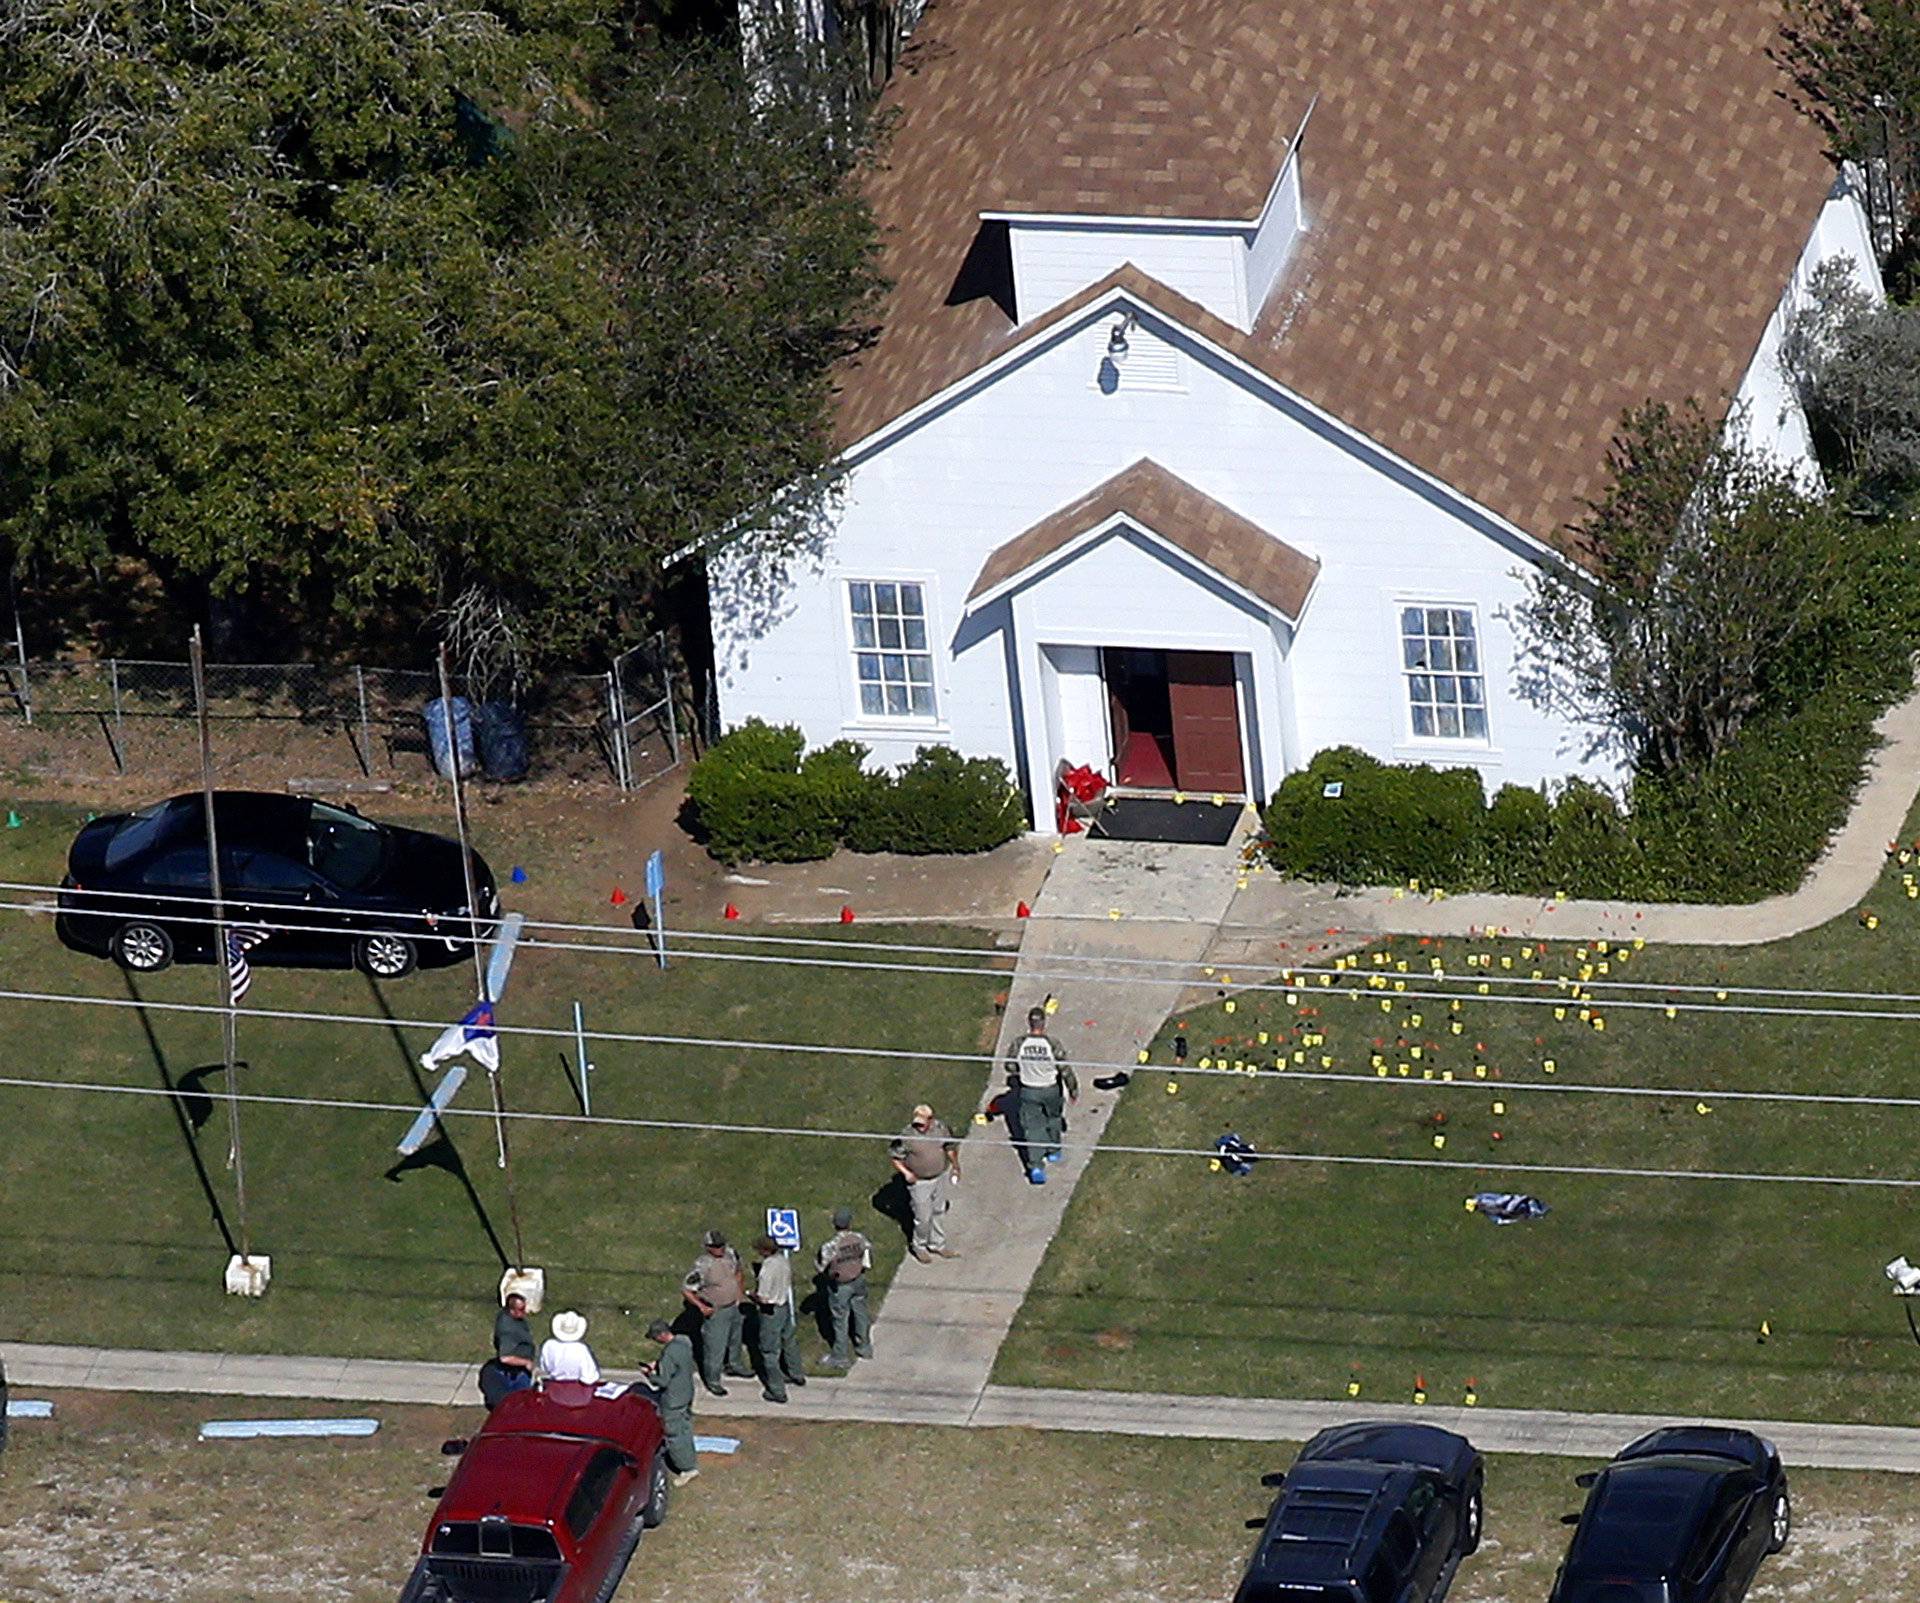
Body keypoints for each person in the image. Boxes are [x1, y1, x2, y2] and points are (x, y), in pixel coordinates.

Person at [1006, 1005, 1078, 1184]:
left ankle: (1036, 1166)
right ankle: (1054, 1150)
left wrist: (1023, 1070)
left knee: (1032, 1128)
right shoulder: (1052, 1044)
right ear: (1044, 1023)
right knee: (1054, 1117)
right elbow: (1065, 1069)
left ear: (1029, 1023)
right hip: (1051, 1088)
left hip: (1029, 1089)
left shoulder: (1019, 1043)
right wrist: (1073, 1089)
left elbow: (1009, 1066)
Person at [889, 1102, 961, 1263]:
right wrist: (907, 1173)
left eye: (922, 1124)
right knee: (923, 1217)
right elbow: (895, 1157)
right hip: (920, 1182)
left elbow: (950, 1147)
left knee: (939, 1211)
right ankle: (919, 1246)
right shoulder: (907, 1136)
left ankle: (937, 1244)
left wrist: (955, 1166)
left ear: (930, 1120)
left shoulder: (941, 1128)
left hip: (939, 1177)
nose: (919, 1127)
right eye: (917, 1124)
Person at [682, 1229, 752, 1395]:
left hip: (734, 1306)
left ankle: (735, 1365)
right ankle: (713, 1380)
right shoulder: (703, 1266)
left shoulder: (731, 1254)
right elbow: (687, 1289)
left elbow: (739, 1272)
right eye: (716, 1246)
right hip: (717, 1310)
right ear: (708, 1247)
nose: (720, 1249)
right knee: (715, 1348)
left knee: (735, 1339)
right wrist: (702, 1307)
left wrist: (739, 1295)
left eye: (721, 1245)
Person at [749, 1235, 808, 1403]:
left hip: (771, 1312)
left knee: (769, 1352)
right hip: (784, 1307)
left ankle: (777, 1390)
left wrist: (750, 1295)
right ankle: (796, 1373)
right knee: (789, 1341)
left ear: (765, 1250)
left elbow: (763, 1298)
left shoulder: (767, 1269)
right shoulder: (783, 1260)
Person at [640, 1318, 700, 1486]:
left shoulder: (669, 1353)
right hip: (686, 1392)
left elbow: (662, 1381)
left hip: (673, 1398)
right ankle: (690, 1457)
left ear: (661, 1335)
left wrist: (649, 1374)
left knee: (674, 1433)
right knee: (685, 1428)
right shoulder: (684, 1343)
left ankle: (686, 1467)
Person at [815, 1206, 874, 1369]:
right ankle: (864, 1347)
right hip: (859, 1280)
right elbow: (868, 1254)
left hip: (840, 1286)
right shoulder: (859, 1238)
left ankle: (840, 1356)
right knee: (861, 1313)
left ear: (835, 1224)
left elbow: (820, 1267)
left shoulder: (831, 1245)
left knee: (840, 1320)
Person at [479, 1291, 537, 1408]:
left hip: (516, 1371)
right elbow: (505, 1358)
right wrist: (526, 1362)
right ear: (512, 1310)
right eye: (521, 1309)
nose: (524, 1312)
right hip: (513, 1374)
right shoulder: (508, 1331)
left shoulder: (507, 1316)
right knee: (520, 1405)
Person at [539, 1309, 600, 1383]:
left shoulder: (548, 1345)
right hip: (576, 1387)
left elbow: (544, 1367)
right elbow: (589, 1377)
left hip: (554, 1385)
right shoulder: (581, 1349)